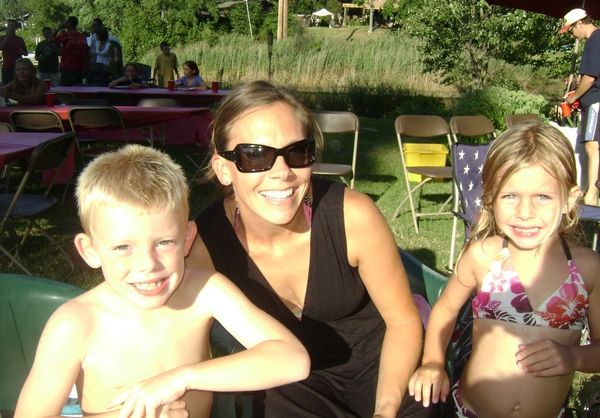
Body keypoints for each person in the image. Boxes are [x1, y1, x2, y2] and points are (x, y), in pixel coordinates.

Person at [186, 80, 431, 417]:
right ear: (224, 170)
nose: (282, 173)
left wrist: (386, 409)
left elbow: (402, 321)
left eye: (297, 152)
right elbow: (178, 341)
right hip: (292, 390)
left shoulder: (352, 216)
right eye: (255, 156)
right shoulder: (206, 245)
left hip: (388, 375)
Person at [14, 145, 310, 418]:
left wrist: (180, 378)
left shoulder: (205, 291)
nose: (147, 264)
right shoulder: (76, 324)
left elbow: (293, 360)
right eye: (123, 247)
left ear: (187, 238)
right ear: (90, 251)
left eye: (164, 242)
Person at [408, 123, 600, 418]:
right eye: (510, 196)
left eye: (543, 197)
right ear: (490, 198)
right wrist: (432, 361)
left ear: (569, 199)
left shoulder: (588, 269)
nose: (525, 213)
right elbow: (445, 310)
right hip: (468, 412)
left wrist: (573, 356)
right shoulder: (483, 257)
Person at [560, 8, 600, 206]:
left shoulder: (594, 40)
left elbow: (590, 78)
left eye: (571, 30)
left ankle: (592, 193)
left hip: (596, 101)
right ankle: (591, 190)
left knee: (592, 145)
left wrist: (573, 97)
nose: (572, 34)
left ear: (580, 23)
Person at [55, 16, 89, 86]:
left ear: (70, 24)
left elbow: (52, 39)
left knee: (65, 90)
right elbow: (86, 52)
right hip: (80, 68)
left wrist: (59, 28)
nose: (65, 23)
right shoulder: (81, 37)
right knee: (78, 89)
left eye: (67, 22)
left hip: (67, 68)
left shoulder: (66, 35)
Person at [0, 19, 28, 84]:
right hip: (7, 67)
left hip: (19, 68)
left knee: (19, 86)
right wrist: (7, 36)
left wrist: (22, 52)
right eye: (9, 25)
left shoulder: (20, 39)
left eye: (12, 26)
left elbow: (26, 53)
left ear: (15, 28)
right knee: (6, 87)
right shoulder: (2, 38)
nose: (11, 27)